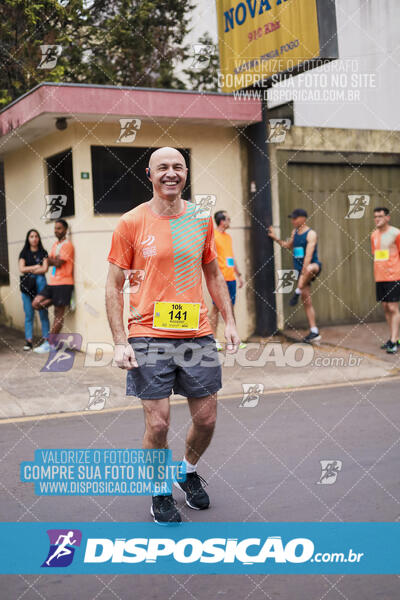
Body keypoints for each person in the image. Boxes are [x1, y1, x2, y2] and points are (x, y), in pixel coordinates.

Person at [106, 147, 240, 524]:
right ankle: (160, 490)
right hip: (147, 332)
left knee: (207, 418)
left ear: (186, 173)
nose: (170, 173)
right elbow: (113, 286)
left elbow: (213, 274)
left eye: (177, 167)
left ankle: (186, 470)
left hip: (196, 332)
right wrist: (120, 341)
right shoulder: (131, 223)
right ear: (149, 174)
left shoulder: (199, 218)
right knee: (159, 423)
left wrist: (228, 321)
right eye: (162, 167)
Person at [268, 208, 322, 343]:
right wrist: (275, 238)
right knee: (307, 300)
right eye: (291, 218)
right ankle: (314, 331)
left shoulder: (311, 234)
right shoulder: (294, 233)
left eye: (295, 218)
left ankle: (297, 291)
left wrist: (303, 272)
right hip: (300, 271)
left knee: (310, 267)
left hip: (312, 266)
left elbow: (308, 256)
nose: (293, 221)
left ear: (303, 218)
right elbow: (287, 245)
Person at [32, 219, 74, 353]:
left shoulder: (68, 245)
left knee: (58, 315)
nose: (56, 230)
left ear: (65, 230)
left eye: (59, 228)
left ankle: (50, 344)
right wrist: (52, 260)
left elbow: (58, 263)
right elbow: (50, 261)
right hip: (53, 283)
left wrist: (51, 260)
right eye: (55, 228)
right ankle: (50, 343)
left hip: (64, 283)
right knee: (36, 303)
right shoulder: (56, 244)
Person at [209, 210, 245, 351]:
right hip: (220, 279)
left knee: (230, 308)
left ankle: (234, 339)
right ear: (222, 221)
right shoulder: (214, 236)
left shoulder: (228, 237)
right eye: (228, 219)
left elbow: (231, 258)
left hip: (231, 278)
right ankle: (214, 340)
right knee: (216, 308)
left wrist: (239, 275)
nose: (230, 221)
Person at [371, 207, 400, 354]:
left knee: (393, 308)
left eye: (380, 216)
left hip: (394, 275)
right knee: (386, 308)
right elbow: (376, 255)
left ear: (387, 218)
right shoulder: (374, 235)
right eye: (375, 217)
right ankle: (393, 338)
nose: (377, 219)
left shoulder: (396, 233)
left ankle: (394, 341)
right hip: (380, 277)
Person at [18, 229, 50, 351]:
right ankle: (29, 341)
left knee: (43, 313)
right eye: (31, 236)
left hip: (41, 285)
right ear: (28, 238)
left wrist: (29, 269)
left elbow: (45, 269)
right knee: (29, 314)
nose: (34, 238)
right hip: (27, 286)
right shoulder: (24, 253)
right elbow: (21, 268)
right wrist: (36, 267)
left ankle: (46, 339)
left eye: (36, 236)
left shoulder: (43, 252)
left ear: (39, 238)